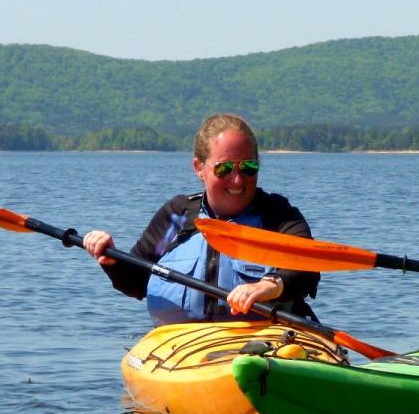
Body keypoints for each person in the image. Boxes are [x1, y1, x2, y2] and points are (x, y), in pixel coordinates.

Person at [82, 113, 319, 324]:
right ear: (199, 167)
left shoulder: (277, 215)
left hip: (263, 344)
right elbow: (135, 281)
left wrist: (268, 286)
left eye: (248, 167)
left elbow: (308, 267)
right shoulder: (178, 216)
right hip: (181, 349)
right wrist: (111, 258)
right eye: (224, 169)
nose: (238, 180)